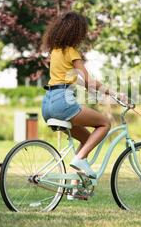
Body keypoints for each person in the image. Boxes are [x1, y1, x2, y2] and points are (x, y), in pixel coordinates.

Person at [41, 11, 128, 180]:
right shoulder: (72, 52)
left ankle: (75, 185)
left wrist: (98, 94)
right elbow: (89, 82)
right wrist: (115, 93)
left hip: (48, 104)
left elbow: (72, 80)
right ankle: (80, 159)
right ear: (76, 32)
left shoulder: (55, 51)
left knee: (86, 139)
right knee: (104, 123)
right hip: (62, 103)